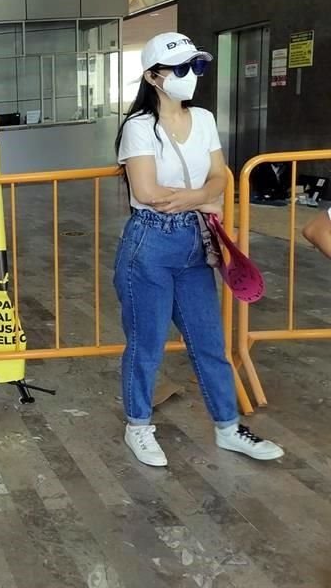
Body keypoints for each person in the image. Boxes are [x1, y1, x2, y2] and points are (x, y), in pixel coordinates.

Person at [114, 32, 284, 467]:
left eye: (198, 67)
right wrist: (203, 198)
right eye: (181, 68)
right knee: (146, 343)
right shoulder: (138, 128)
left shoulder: (204, 119)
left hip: (195, 242)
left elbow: (220, 178)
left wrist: (202, 197)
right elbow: (149, 192)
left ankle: (228, 427)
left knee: (210, 341)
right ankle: (138, 426)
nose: (192, 76)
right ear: (153, 76)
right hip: (149, 243)